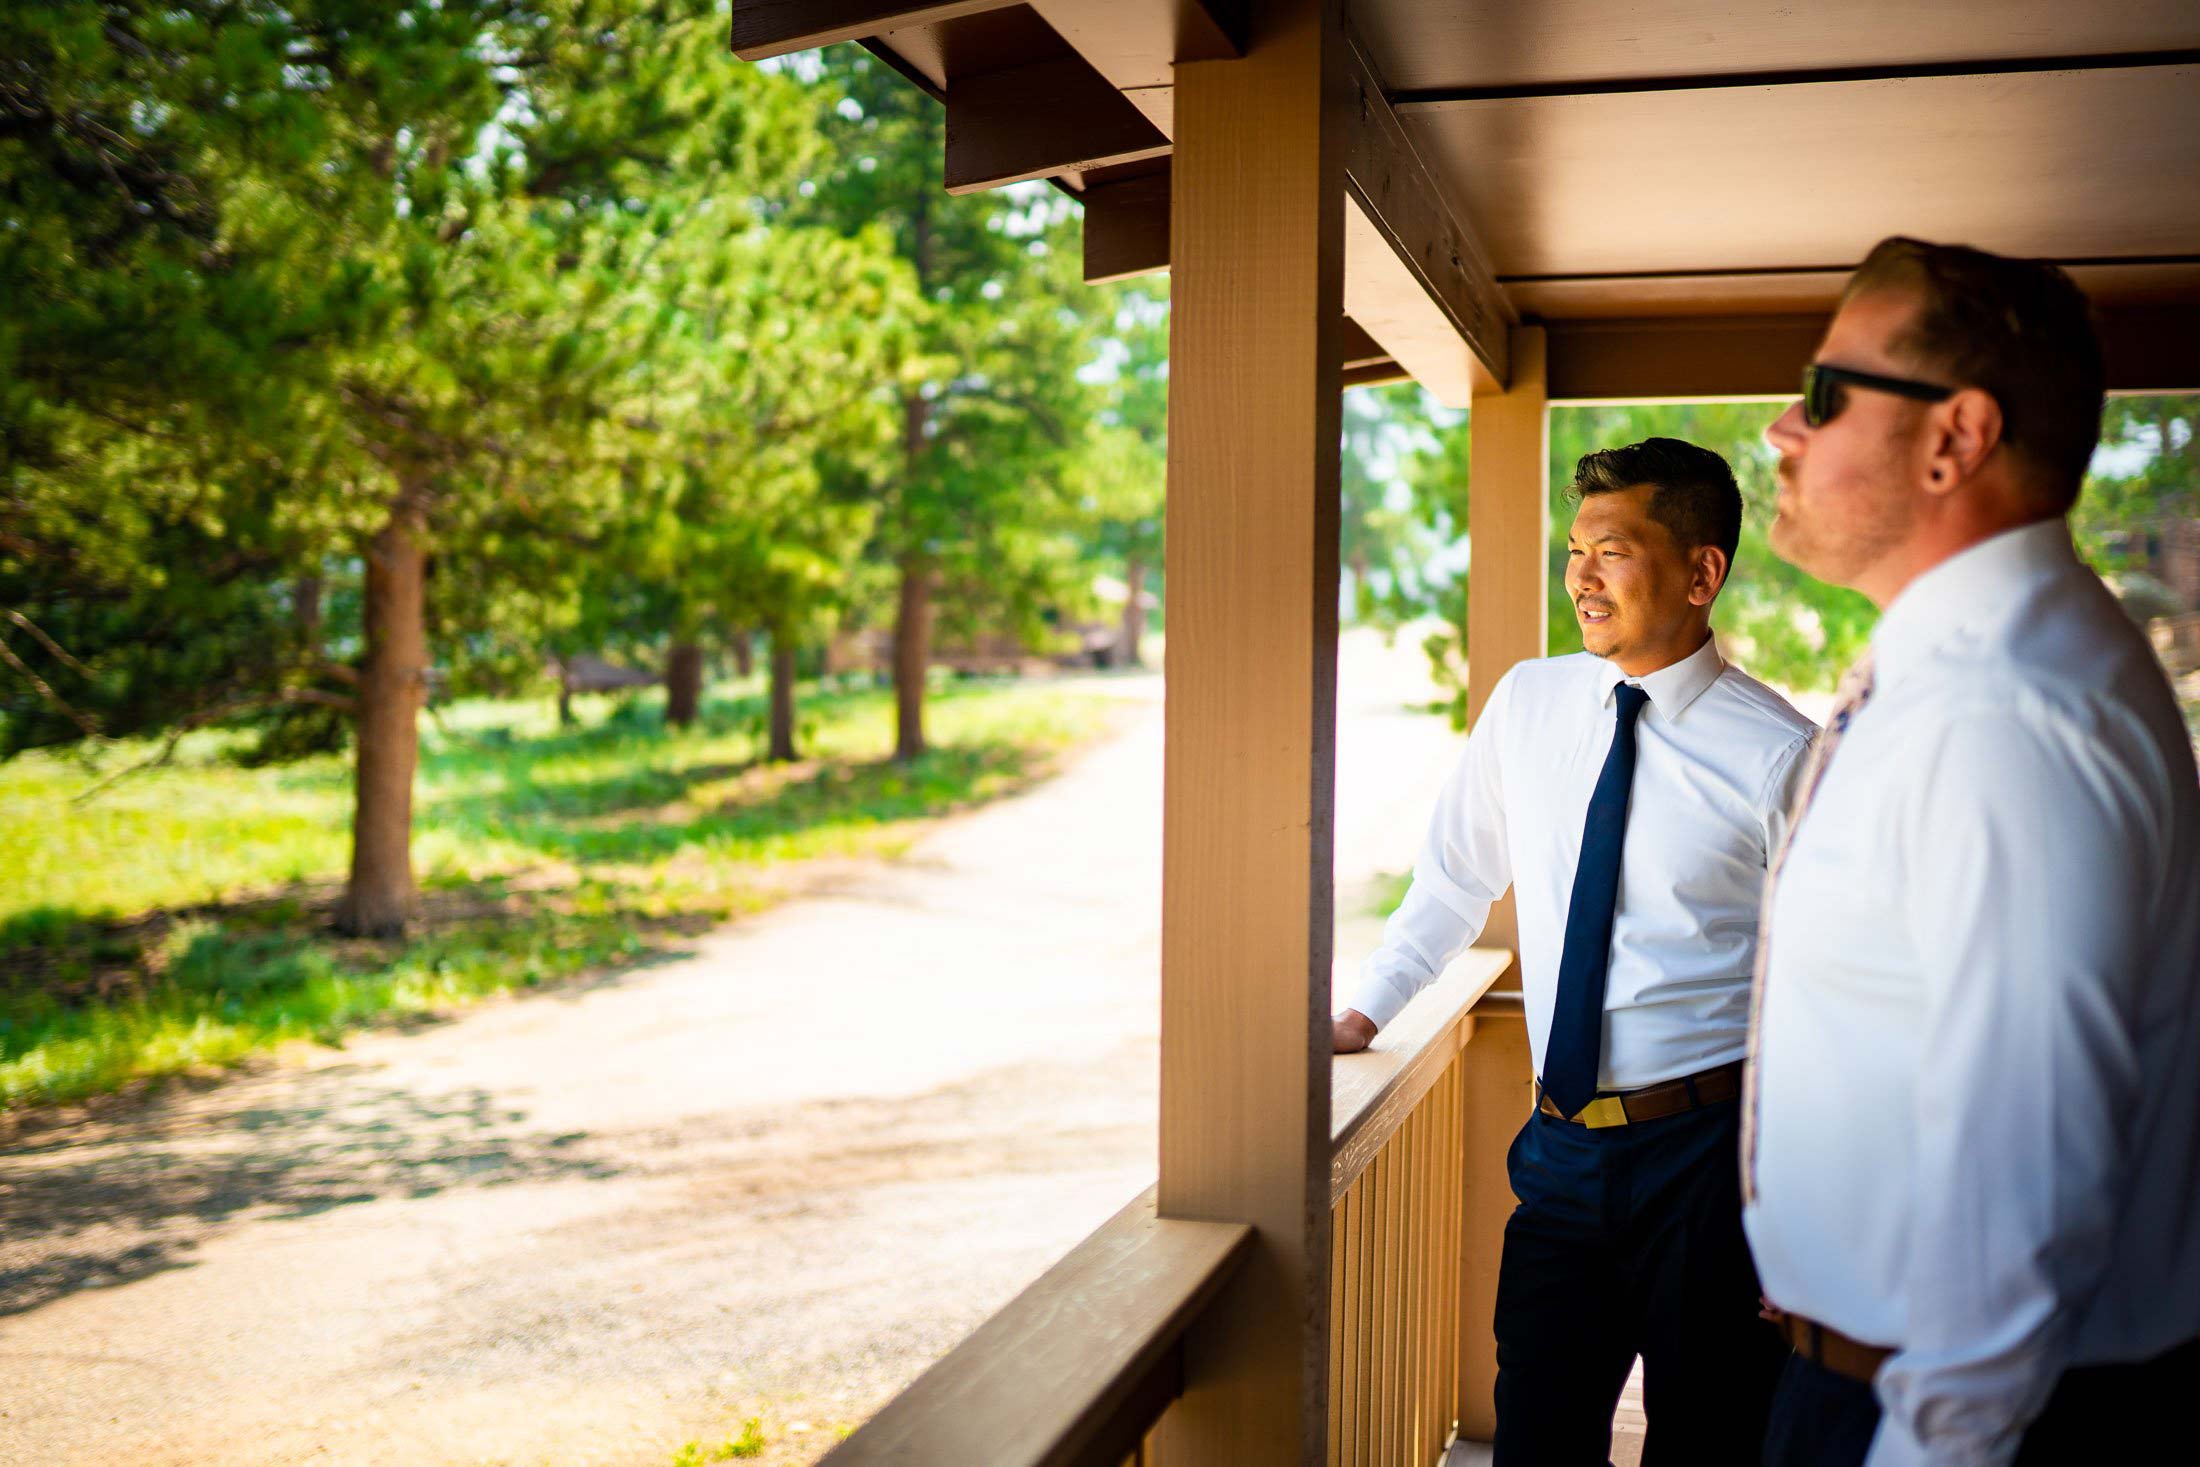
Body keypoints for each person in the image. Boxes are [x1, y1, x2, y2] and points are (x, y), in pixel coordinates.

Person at [1744, 237, 2200, 1467]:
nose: (1785, 427)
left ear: (1954, 437)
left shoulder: (2005, 712)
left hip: (1948, 1417)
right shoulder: (1966, 670)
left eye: (1827, 392)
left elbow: (2026, 1194)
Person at [1335, 437, 1814, 1465]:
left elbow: (1831, 988)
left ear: (1701, 571)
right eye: (1572, 548)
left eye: (1610, 548)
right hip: (1559, 1153)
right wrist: (1365, 1009)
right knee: (1538, 1435)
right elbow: (1456, 876)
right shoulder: (1528, 703)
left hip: (1711, 1160)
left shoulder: (1780, 757)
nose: (1580, 575)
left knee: (1710, 1439)